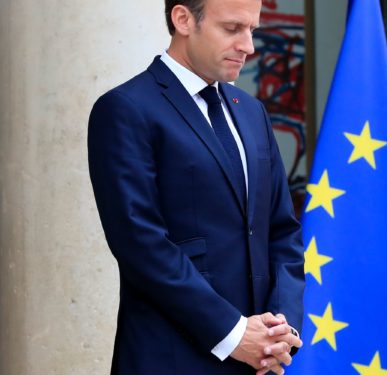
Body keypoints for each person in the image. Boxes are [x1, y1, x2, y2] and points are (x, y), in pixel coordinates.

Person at [87, 0, 304, 373]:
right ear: (184, 19)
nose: (248, 45)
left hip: (261, 360)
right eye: (233, 29)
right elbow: (140, 243)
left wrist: (279, 327)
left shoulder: (252, 111)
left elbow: (281, 229)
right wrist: (235, 335)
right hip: (170, 358)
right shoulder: (125, 109)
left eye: (252, 29)